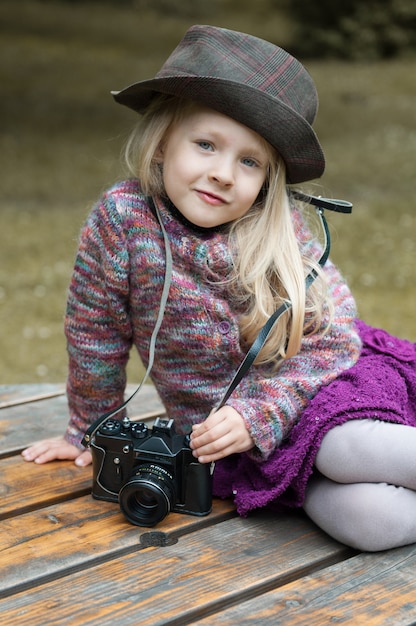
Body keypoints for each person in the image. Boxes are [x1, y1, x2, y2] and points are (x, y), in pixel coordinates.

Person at [22, 25, 416, 552]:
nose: (224, 174)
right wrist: (91, 433)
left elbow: (335, 340)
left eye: (249, 161)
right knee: (373, 525)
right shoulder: (123, 222)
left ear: (268, 178)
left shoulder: (277, 232)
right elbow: (95, 336)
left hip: (315, 392)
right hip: (229, 446)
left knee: (342, 452)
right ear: (162, 141)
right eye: (206, 145)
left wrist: (258, 413)